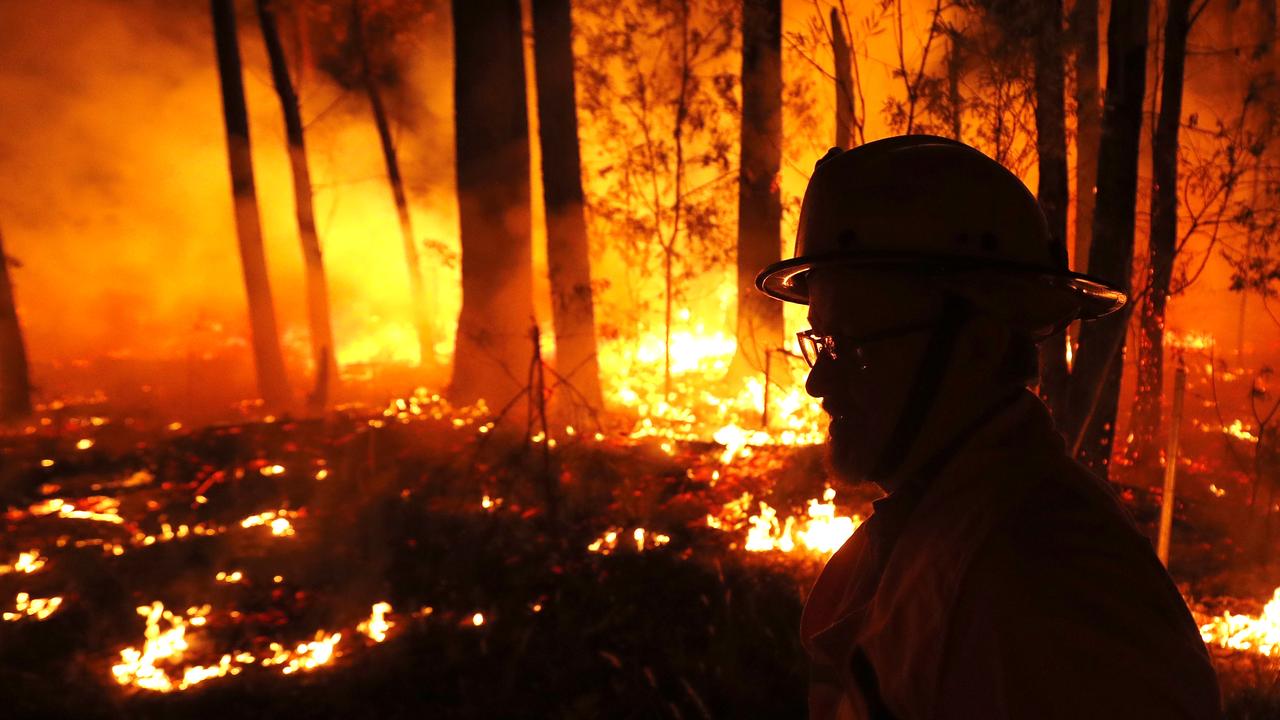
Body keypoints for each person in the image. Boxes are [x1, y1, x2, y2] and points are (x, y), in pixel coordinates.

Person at [754, 135, 1222, 719]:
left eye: (851, 347)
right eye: (820, 342)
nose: (817, 383)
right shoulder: (943, 526)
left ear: (975, 347)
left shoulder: (1046, 581)